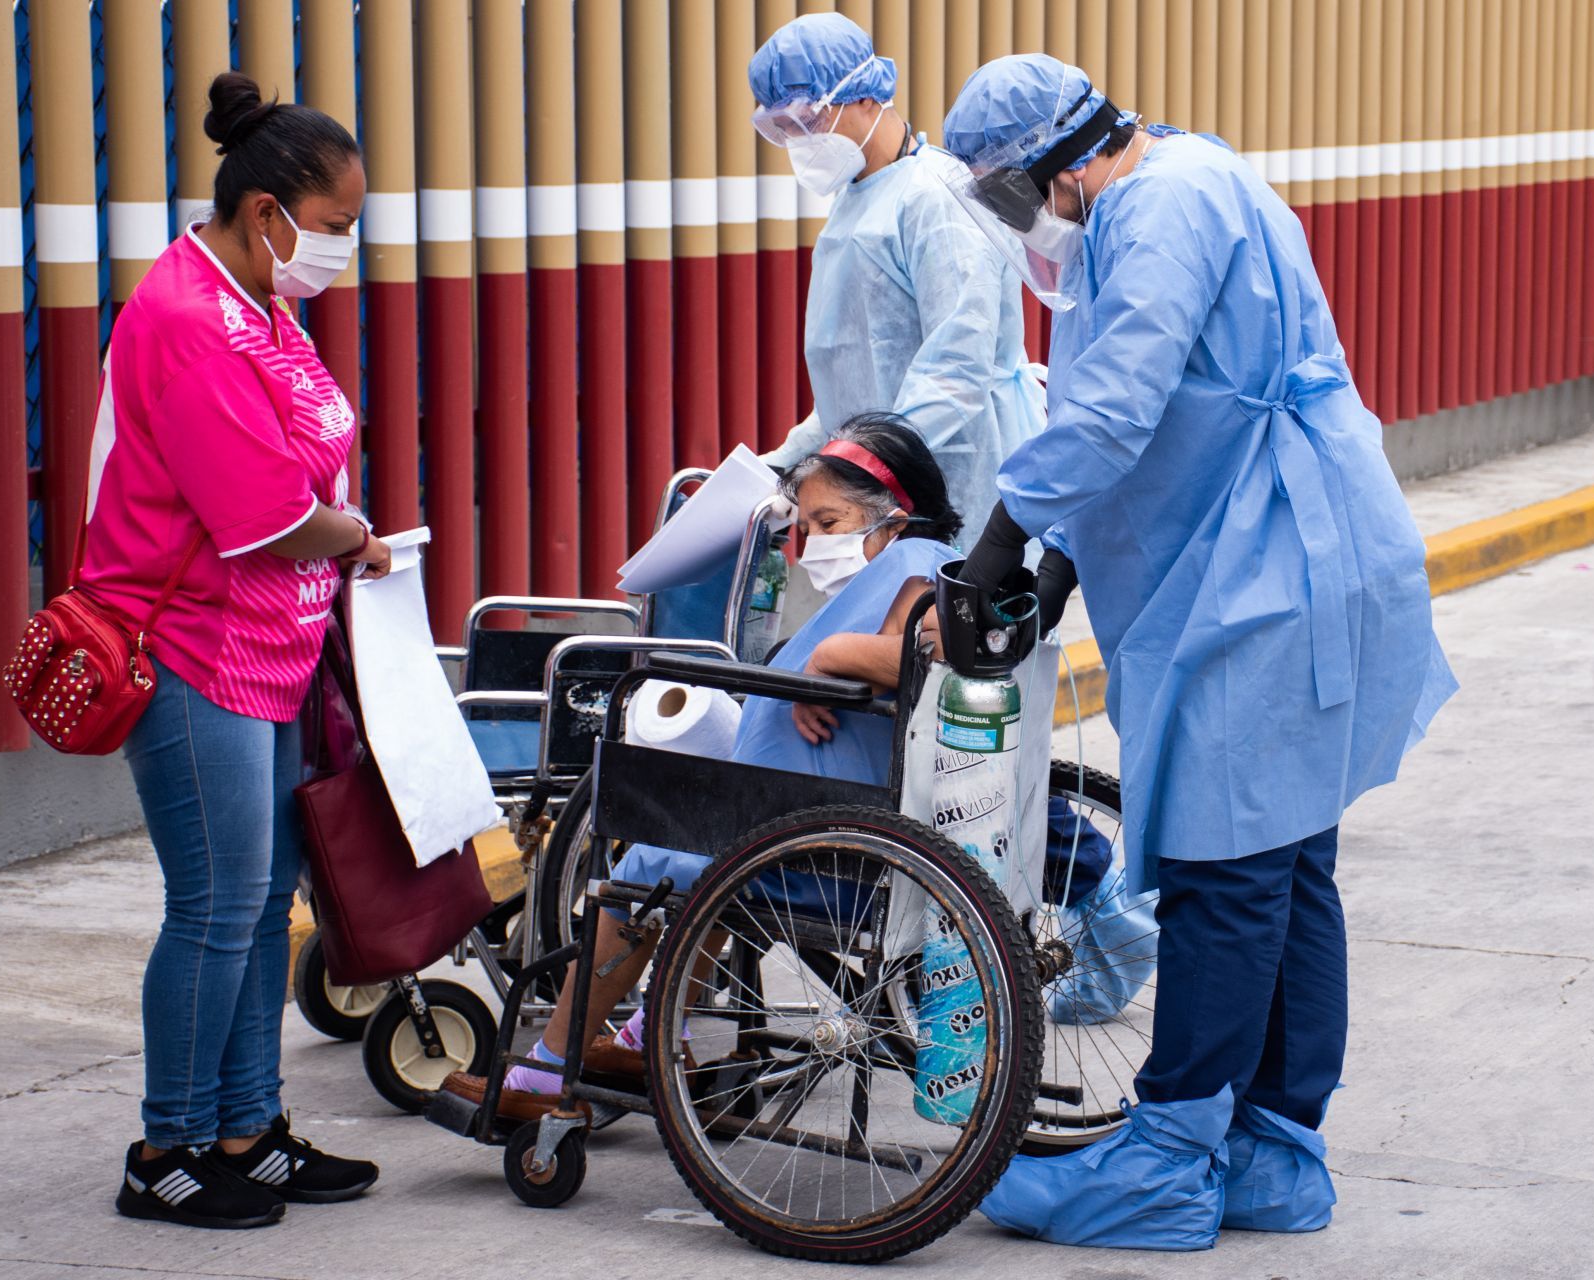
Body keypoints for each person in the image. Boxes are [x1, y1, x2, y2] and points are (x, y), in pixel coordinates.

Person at [938, 55, 1458, 1250]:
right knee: (1286, 866)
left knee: (1230, 871)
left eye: (1010, 193)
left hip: (1268, 572)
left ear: (1061, 164)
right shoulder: (1178, 181)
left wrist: (1002, 536)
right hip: (1270, 553)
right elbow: (1169, 411)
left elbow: (1117, 406)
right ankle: (1274, 1150)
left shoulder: (1161, 205)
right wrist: (1061, 557)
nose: (1019, 221)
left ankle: (1168, 1158)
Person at [439, 413, 970, 1122]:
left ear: (892, 518)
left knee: (647, 866)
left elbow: (938, 648)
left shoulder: (916, 563)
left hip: (829, 853)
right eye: (806, 526)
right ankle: (645, 1036)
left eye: (829, 522)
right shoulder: (908, 568)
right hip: (811, 833)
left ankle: (545, 1074)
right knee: (703, 844)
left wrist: (830, 656)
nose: (813, 543)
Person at [84, 72, 386, 1229]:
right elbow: (260, 514)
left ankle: (247, 1129)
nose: (343, 246)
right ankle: (164, 1147)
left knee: (260, 901)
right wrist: (352, 534)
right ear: (269, 213)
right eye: (336, 224)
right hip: (190, 650)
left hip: (263, 643)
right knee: (213, 902)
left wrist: (339, 530)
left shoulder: (252, 297)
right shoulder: (188, 319)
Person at [748, 12, 1045, 537]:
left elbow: (956, 370)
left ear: (867, 97)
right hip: (879, 487)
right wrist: (788, 464)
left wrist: (853, 469)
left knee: (956, 588)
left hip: (956, 476)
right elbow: (854, 387)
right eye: (784, 127)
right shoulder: (856, 201)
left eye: (809, 119)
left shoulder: (936, 197)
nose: (800, 139)